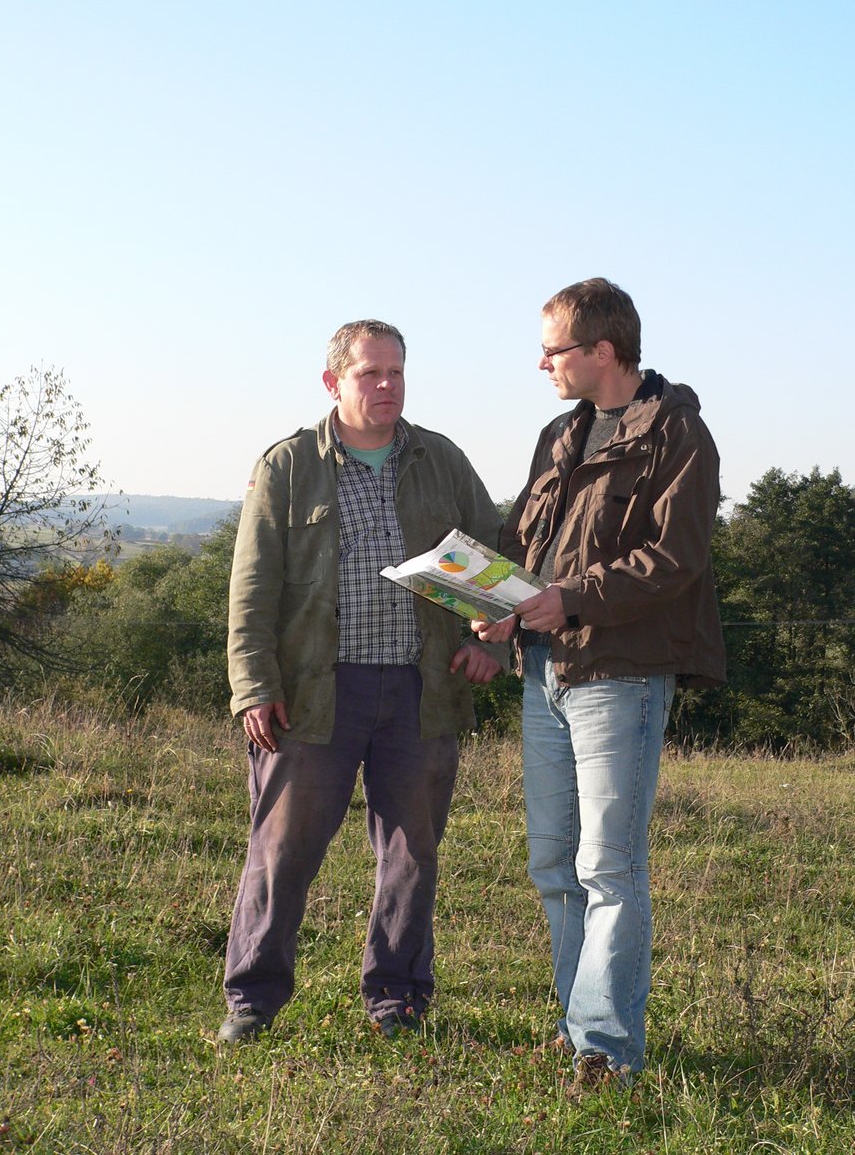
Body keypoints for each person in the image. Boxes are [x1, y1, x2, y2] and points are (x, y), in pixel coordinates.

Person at [218, 319, 508, 1043]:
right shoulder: (287, 467)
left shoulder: (442, 461)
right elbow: (251, 589)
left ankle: (398, 1001)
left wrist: (497, 642)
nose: (386, 386)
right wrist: (254, 684)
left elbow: (495, 560)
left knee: (413, 854)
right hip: (314, 696)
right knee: (281, 853)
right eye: (369, 374)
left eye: (397, 373)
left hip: (420, 692)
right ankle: (251, 1002)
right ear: (333, 383)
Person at [473, 278, 725, 1089]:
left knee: (607, 866)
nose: (541, 362)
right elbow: (524, 540)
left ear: (604, 352)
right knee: (554, 863)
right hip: (545, 668)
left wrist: (568, 598)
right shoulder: (559, 433)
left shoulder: (678, 432)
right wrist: (498, 604)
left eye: (554, 349)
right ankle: (576, 1026)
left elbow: (674, 558)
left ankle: (607, 1051)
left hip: (622, 674)